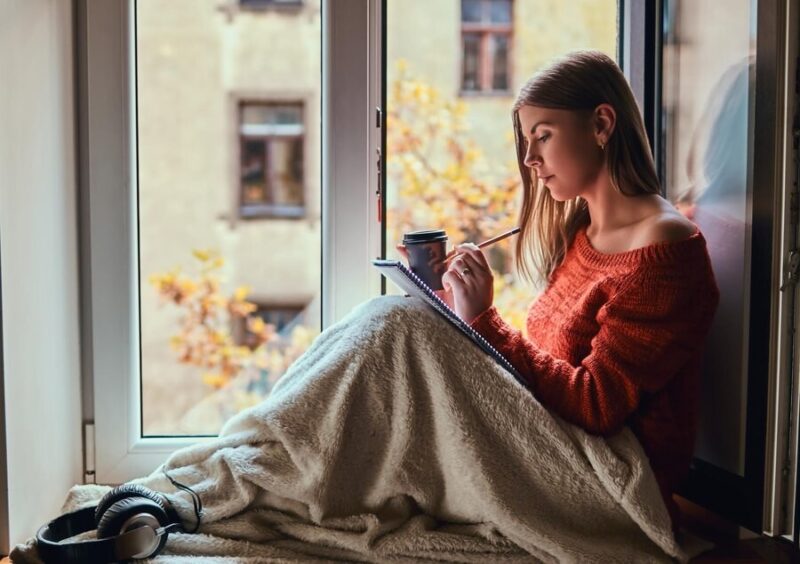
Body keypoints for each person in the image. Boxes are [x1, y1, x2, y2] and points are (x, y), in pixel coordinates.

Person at [401, 50, 720, 531]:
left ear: (601, 125)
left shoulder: (664, 252)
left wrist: (485, 321)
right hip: (553, 443)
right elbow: (547, 362)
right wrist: (455, 307)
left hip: (609, 479)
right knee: (404, 325)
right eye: (528, 141)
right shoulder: (584, 233)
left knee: (392, 331)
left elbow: (595, 403)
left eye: (543, 136)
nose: (530, 159)